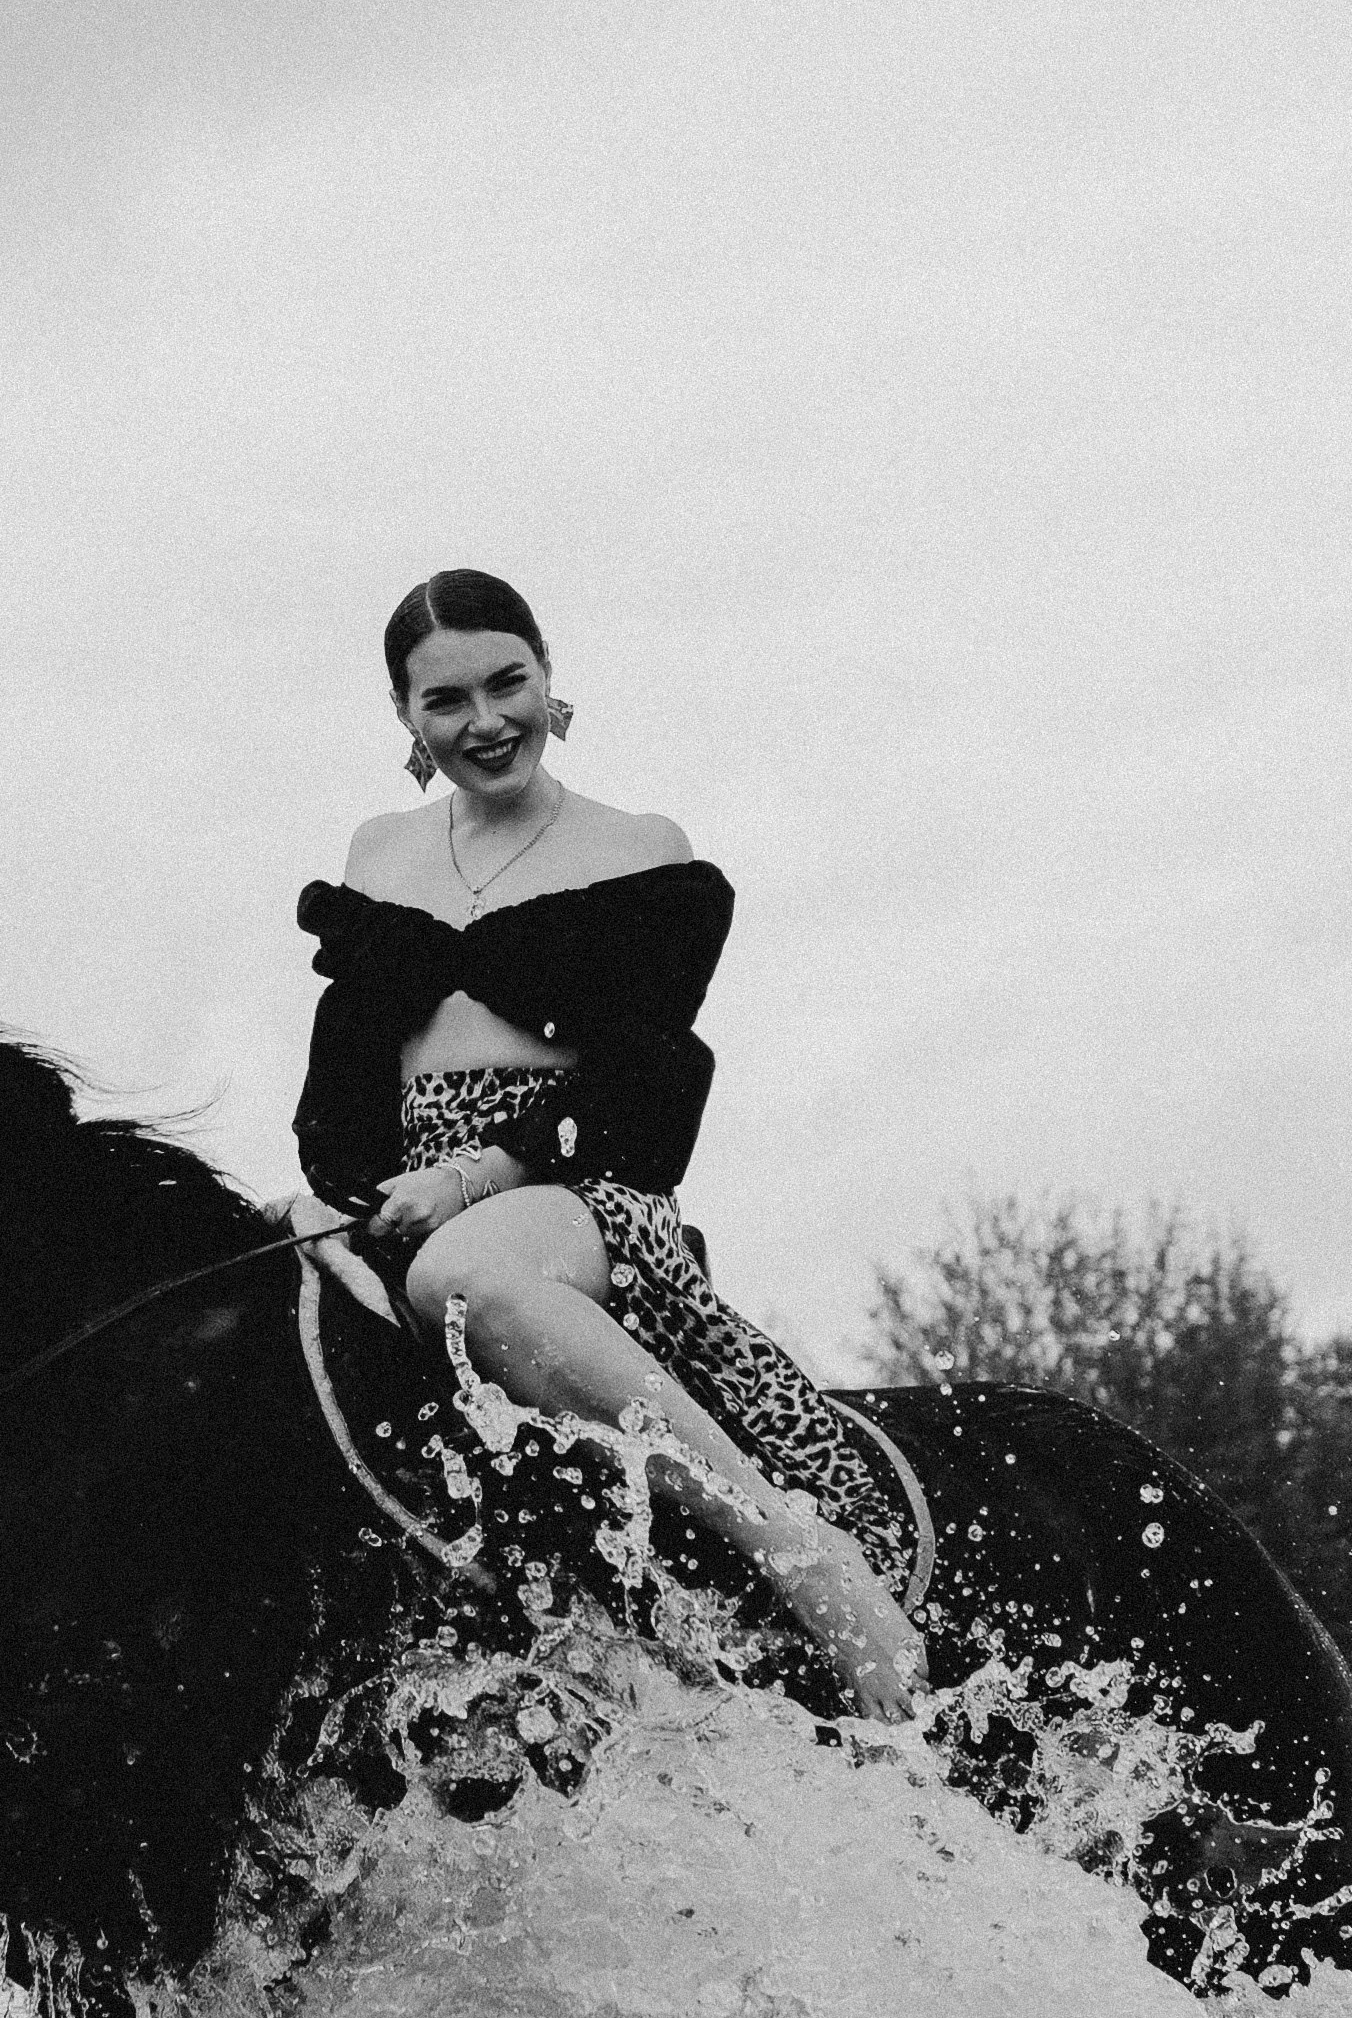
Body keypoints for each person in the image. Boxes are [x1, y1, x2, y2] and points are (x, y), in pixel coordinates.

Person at [286, 568, 927, 1719]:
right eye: (446, 702)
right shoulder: (377, 851)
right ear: (405, 720)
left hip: (571, 1185)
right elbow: (346, 1071)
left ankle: (803, 1559)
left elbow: (649, 1078)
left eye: (507, 683)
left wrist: (476, 1175)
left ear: (549, 676)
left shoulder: (637, 847)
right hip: (403, 1193)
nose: (485, 722)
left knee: (471, 1279)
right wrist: (363, 1187)